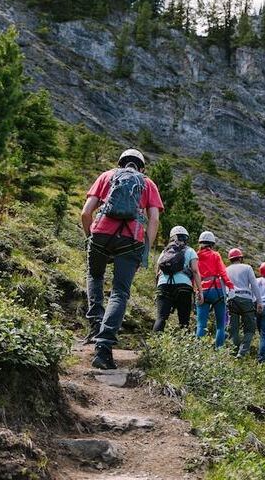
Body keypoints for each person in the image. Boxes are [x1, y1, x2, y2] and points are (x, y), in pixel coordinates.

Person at [81, 148, 163, 370]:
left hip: (100, 233)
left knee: (95, 276)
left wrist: (92, 239)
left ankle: (95, 324)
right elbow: (153, 219)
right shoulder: (148, 184)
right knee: (119, 292)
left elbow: (86, 213)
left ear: (120, 163)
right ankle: (103, 347)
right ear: (142, 167)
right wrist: (145, 248)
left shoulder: (106, 176)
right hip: (131, 239)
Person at [154, 226, 201, 332]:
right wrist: (200, 291)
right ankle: (182, 346)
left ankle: (154, 346)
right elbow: (195, 271)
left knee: (161, 318)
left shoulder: (164, 252)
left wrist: (157, 288)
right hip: (183, 286)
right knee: (184, 321)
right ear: (186, 238)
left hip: (163, 285)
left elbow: (157, 272)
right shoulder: (190, 251)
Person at [195, 231, 234, 347]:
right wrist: (230, 286)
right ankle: (219, 350)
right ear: (212, 243)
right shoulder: (216, 255)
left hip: (202, 290)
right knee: (220, 325)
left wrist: (195, 290)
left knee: (201, 324)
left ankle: (199, 350)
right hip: (216, 290)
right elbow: (223, 272)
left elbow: (194, 274)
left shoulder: (196, 256)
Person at [225, 248, 262, 358]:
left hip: (232, 299)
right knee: (250, 329)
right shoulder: (247, 268)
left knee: (233, 329)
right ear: (240, 258)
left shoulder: (226, 269)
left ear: (230, 259)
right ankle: (242, 352)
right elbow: (254, 285)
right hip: (246, 299)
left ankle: (234, 351)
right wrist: (259, 301)